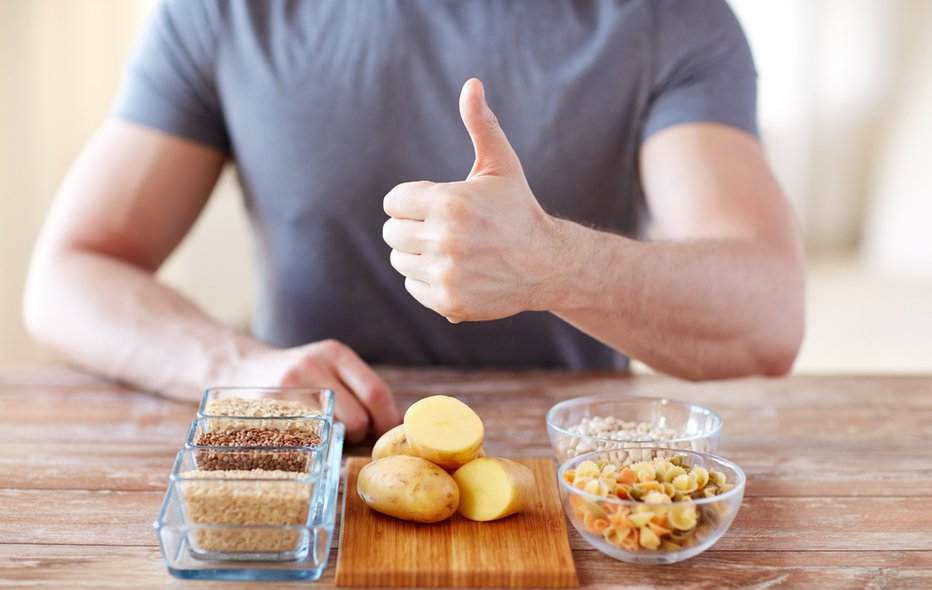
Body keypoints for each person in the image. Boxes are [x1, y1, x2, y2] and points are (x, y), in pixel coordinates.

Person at [23, 0, 805, 443]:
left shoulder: (670, 19)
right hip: (315, 467)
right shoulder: (221, 13)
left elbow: (769, 313)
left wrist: (551, 263)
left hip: (571, 483)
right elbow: (68, 274)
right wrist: (234, 368)